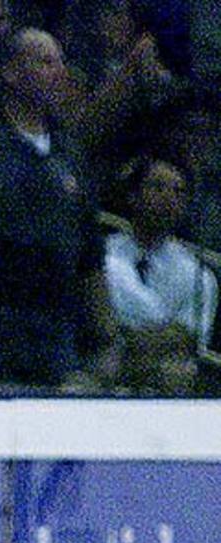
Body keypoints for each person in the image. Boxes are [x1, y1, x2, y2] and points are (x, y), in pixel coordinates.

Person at [0, 26, 122, 392]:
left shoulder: (71, 155)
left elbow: (90, 257)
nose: (60, 73)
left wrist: (109, 338)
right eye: (46, 62)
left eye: (61, 63)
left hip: (58, 334)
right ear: (11, 72)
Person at [103, 156, 217, 393]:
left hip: (161, 384)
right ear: (133, 195)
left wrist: (126, 340)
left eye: (178, 192)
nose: (169, 198)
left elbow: (186, 338)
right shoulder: (102, 254)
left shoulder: (198, 275)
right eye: (158, 187)